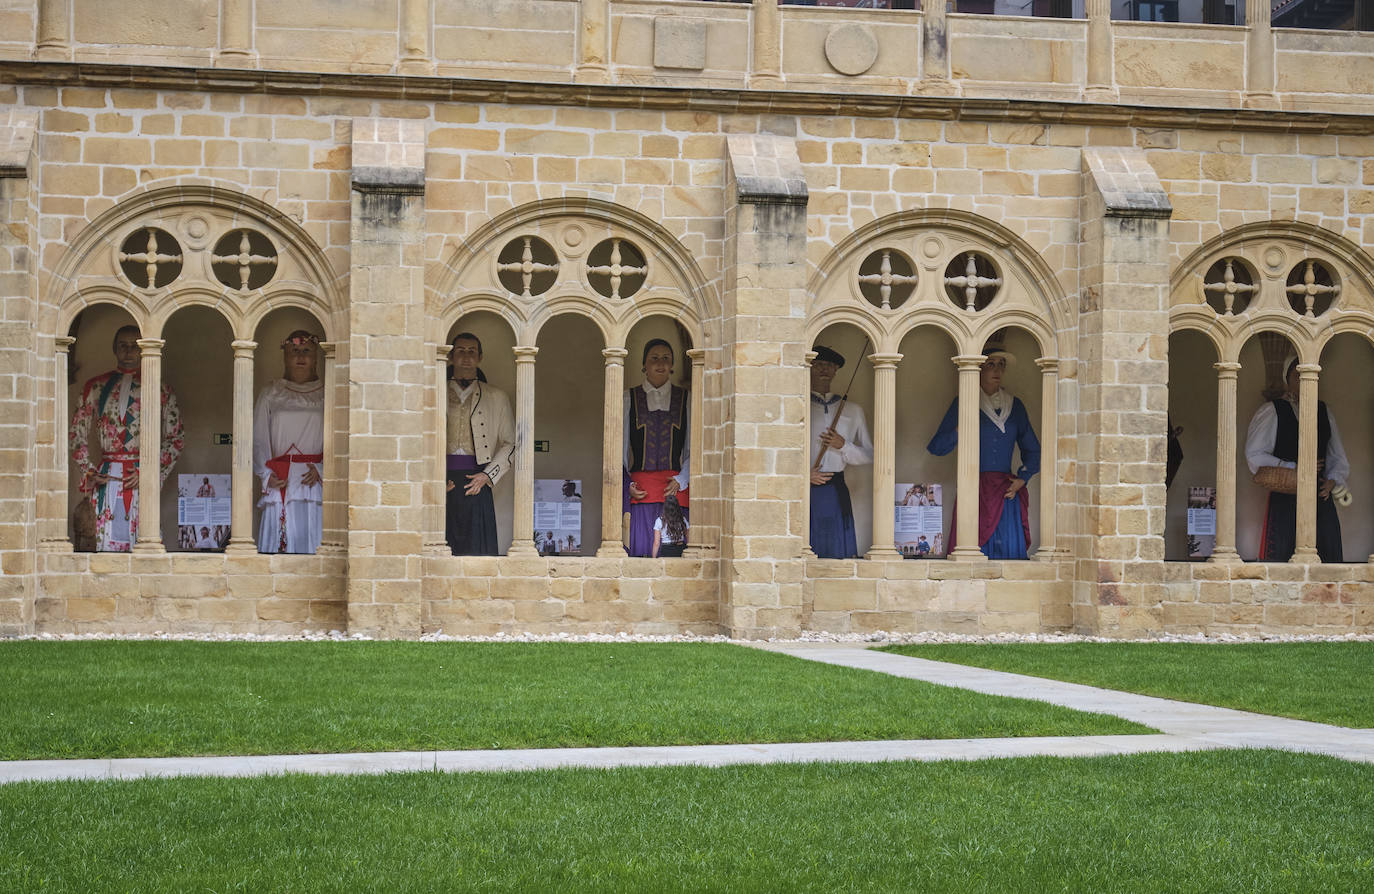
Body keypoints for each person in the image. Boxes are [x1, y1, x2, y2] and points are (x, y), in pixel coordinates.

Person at [70, 324, 184, 552]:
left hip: (140, 476)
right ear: (114, 349)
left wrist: (150, 473)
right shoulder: (95, 386)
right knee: (104, 541)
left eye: (134, 346)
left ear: (142, 349)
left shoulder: (161, 389)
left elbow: (176, 438)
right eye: (123, 345)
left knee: (144, 542)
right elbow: (76, 434)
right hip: (106, 476)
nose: (129, 351)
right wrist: (89, 470)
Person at [927, 337, 1041, 560]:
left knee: (1008, 556)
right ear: (978, 368)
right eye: (990, 364)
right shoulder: (964, 403)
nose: (997, 370)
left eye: (1001, 365)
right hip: (975, 489)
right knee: (970, 553)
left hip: (1006, 491)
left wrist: (1023, 478)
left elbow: (1033, 450)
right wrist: (959, 429)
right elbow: (936, 447)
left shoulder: (1015, 406)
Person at [1245, 355, 1346, 563]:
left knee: (1327, 555)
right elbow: (1254, 454)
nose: (1302, 380)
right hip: (1286, 496)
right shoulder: (1273, 411)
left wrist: (1332, 480)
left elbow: (1336, 455)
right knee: (1284, 555)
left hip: (1320, 497)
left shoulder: (1324, 411)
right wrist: (1293, 468)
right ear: (1287, 378)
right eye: (1296, 375)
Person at [251, 330, 325, 554]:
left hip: (314, 480)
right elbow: (258, 438)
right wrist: (265, 475)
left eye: (306, 351)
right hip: (280, 478)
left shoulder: (328, 393)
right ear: (285, 355)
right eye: (294, 351)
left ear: (316, 357)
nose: (300, 356)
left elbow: (340, 437)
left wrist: (323, 469)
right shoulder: (271, 393)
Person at [445, 332, 516, 555]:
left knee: (478, 553)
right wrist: (431, 479)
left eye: (471, 352)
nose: (466, 357)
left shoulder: (497, 397)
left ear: (480, 357)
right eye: (460, 351)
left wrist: (487, 475)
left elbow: (511, 443)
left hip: (478, 479)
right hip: (441, 478)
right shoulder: (433, 392)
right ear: (450, 356)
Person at [624, 339, 690, 557]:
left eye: (666, 358)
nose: (660, 363)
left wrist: (682, 479)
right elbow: (619, 447)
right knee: (642, 552)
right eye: (654, 358)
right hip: (641, 490)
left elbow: (693, 448)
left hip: (675, 488)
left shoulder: (685, 399)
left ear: (672, 365)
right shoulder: (629, 398)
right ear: (644, 364)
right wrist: (627, 484)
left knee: (675, 552)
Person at [809, 345, 873, 559]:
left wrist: (843, 445)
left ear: (836, 370)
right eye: (818, 364)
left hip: (835, 488)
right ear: (809, 366)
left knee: (836, 551)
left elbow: (870, 455)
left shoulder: (853, 410)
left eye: (829, 365)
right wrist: (803, 476)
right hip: (805, 489)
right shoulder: (798, 405)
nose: (823, 370)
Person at [652, 493, 689, 558]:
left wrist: (653, 558)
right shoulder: (683, 519)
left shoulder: (659, 521)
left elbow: (656, 543)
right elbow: (688, 537)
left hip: (667, 550)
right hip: (681, 549)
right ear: (677, 506)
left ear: (665, 507)